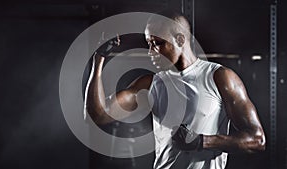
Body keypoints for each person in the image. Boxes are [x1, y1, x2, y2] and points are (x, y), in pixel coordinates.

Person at [85, 10, 266, 169]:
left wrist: (202, 142)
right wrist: (98, 57)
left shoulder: (219, 77)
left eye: (157, 43)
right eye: (148, 44)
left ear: (179, 39)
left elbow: (257, 140)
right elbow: (99, 114)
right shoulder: (150, 84)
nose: (151, 52)